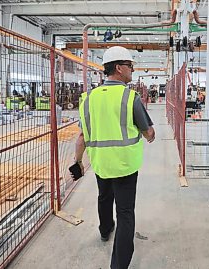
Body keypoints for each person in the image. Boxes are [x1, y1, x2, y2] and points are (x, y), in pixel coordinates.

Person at [73, 46, 155, 269]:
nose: (132, 71)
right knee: (126, 213)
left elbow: (81, 137)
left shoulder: (88, 98)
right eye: (130, 66)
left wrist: (78, 161)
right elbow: (149, 134)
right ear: (119, 68)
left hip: (100, 163)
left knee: (104, 197)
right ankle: (119, 265)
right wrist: (144, 132)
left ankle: (104, 230)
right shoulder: (130, 98)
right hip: (125, 165)